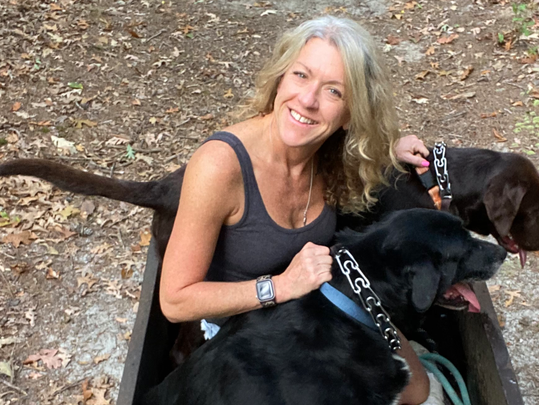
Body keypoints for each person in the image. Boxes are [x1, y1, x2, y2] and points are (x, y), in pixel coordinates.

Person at [160, 16, 432, 404]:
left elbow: (366, 146)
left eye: (334, 91)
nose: (308, 100)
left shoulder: (328, 152)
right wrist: (280, 287)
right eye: (301, 75)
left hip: (316, 309)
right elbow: (174, 300)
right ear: (279, 79)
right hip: (243, 336)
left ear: (350, 115)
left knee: (416, 389)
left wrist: (389, 150)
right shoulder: (220, 166)